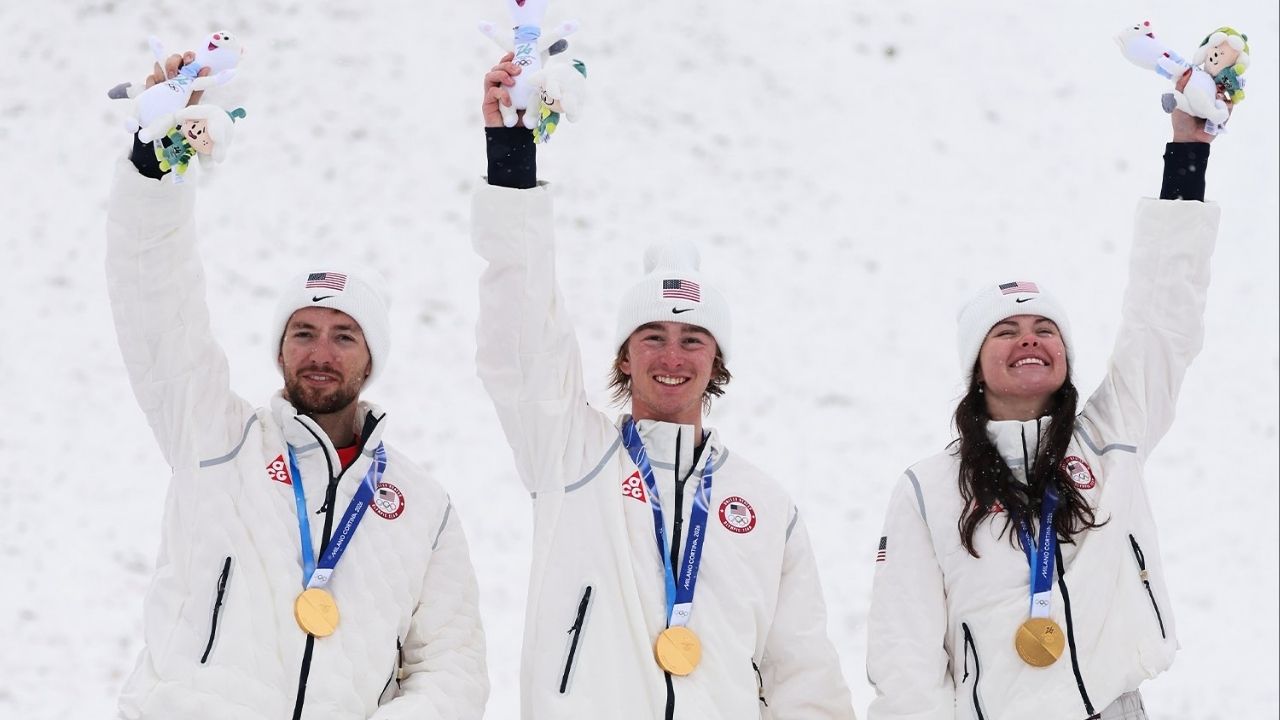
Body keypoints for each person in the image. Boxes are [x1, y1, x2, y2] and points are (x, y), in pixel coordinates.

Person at [106, 53, 488, 720]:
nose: (320, 352)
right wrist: (156, 168)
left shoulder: (423, 508)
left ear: (371, 357)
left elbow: (453, 668)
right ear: (280, 348)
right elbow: (155, 306)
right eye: (303, 331)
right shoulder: (217, 437)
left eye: (344, 336)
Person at [471, 56, 856, 719]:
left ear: (717, 361)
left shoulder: (764, 505)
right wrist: (512, 161)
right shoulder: (570, 455)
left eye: (692, 339)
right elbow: (521, 328)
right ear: (624, 357)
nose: (671, 357)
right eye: (652, 336)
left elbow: (804, 677)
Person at [865, 76, 1227, 720]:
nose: (1029, 340)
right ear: (976, 366)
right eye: (1005, 331)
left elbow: (1162, 317)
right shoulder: (928, 488)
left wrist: (1187, 157)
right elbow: (905, 655)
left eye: (1045, 329)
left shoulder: (1112, 435)